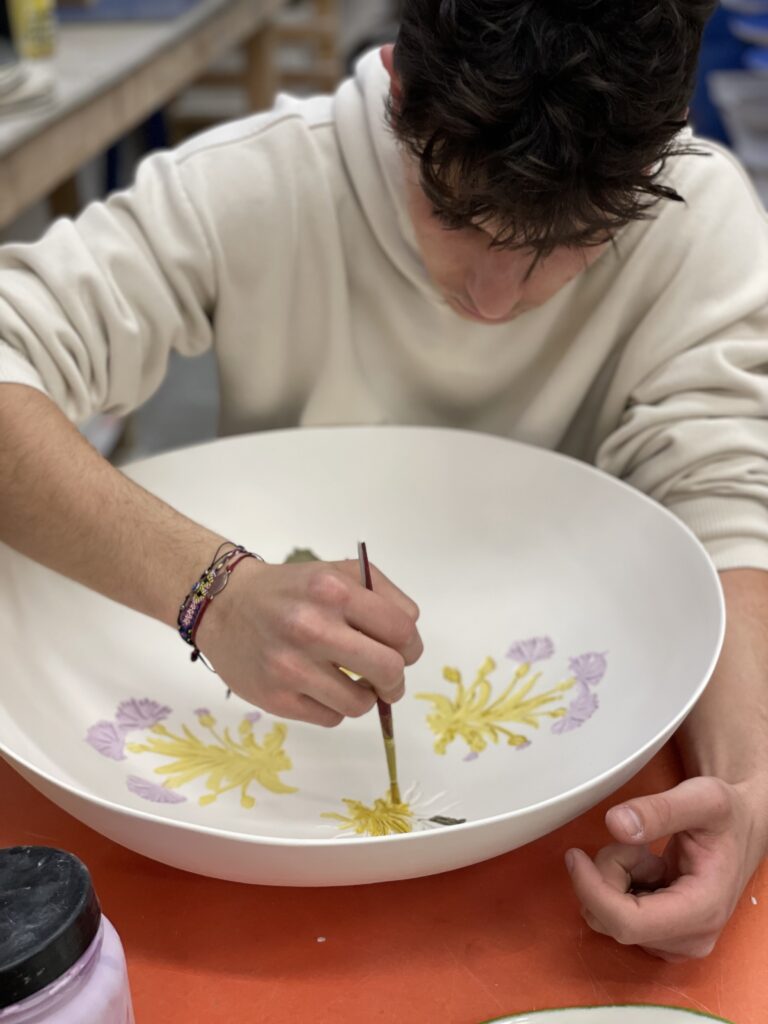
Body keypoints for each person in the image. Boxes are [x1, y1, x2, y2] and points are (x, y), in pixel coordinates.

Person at [1, 0, 766, 963]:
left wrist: (744, 790)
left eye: (568, 239)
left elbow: (726, 507)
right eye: (454, 212)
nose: (494, 300)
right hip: (252, 853)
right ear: (400, 87)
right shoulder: (262, 180)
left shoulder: (698, 220)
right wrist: (213, 591)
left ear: (654, 157)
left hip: (566, 822)